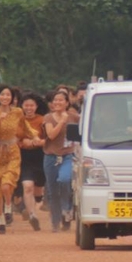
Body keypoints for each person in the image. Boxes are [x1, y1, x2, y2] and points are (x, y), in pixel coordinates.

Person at [0, 85, 36, 234]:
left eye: (8, 95)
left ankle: (8, 207)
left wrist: (35, 137)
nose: (5, 97)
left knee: (7, 184)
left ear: (12, 98)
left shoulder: (18, 112)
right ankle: (1, 219)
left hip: (12, 150)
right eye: (2, 95)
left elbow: (25, 127)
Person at [43, 90, 79, 232]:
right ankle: (56, 221)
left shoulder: (75, 117)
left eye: (61, 100)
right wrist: (62, 121)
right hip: (51, 157)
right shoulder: (48, 117)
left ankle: (67, 209)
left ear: (67, 103)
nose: (57, 102)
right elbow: (51, 135)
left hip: (68, 156)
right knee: (52, 190)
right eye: (55, 100)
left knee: (65, 180)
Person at [18, 92, 48, 231]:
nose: (29, 108)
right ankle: (32, 215)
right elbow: (15, 139)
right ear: (22, 106)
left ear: (36, 106)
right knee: (27, 186)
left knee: (38, 190)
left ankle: (36, 202)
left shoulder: (43, 120)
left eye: (31, 105)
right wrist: (25, 142)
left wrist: (39, 142)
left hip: (41, 157)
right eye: (26, 105)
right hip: (24, 157)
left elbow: (50, 138)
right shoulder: (18, 120)